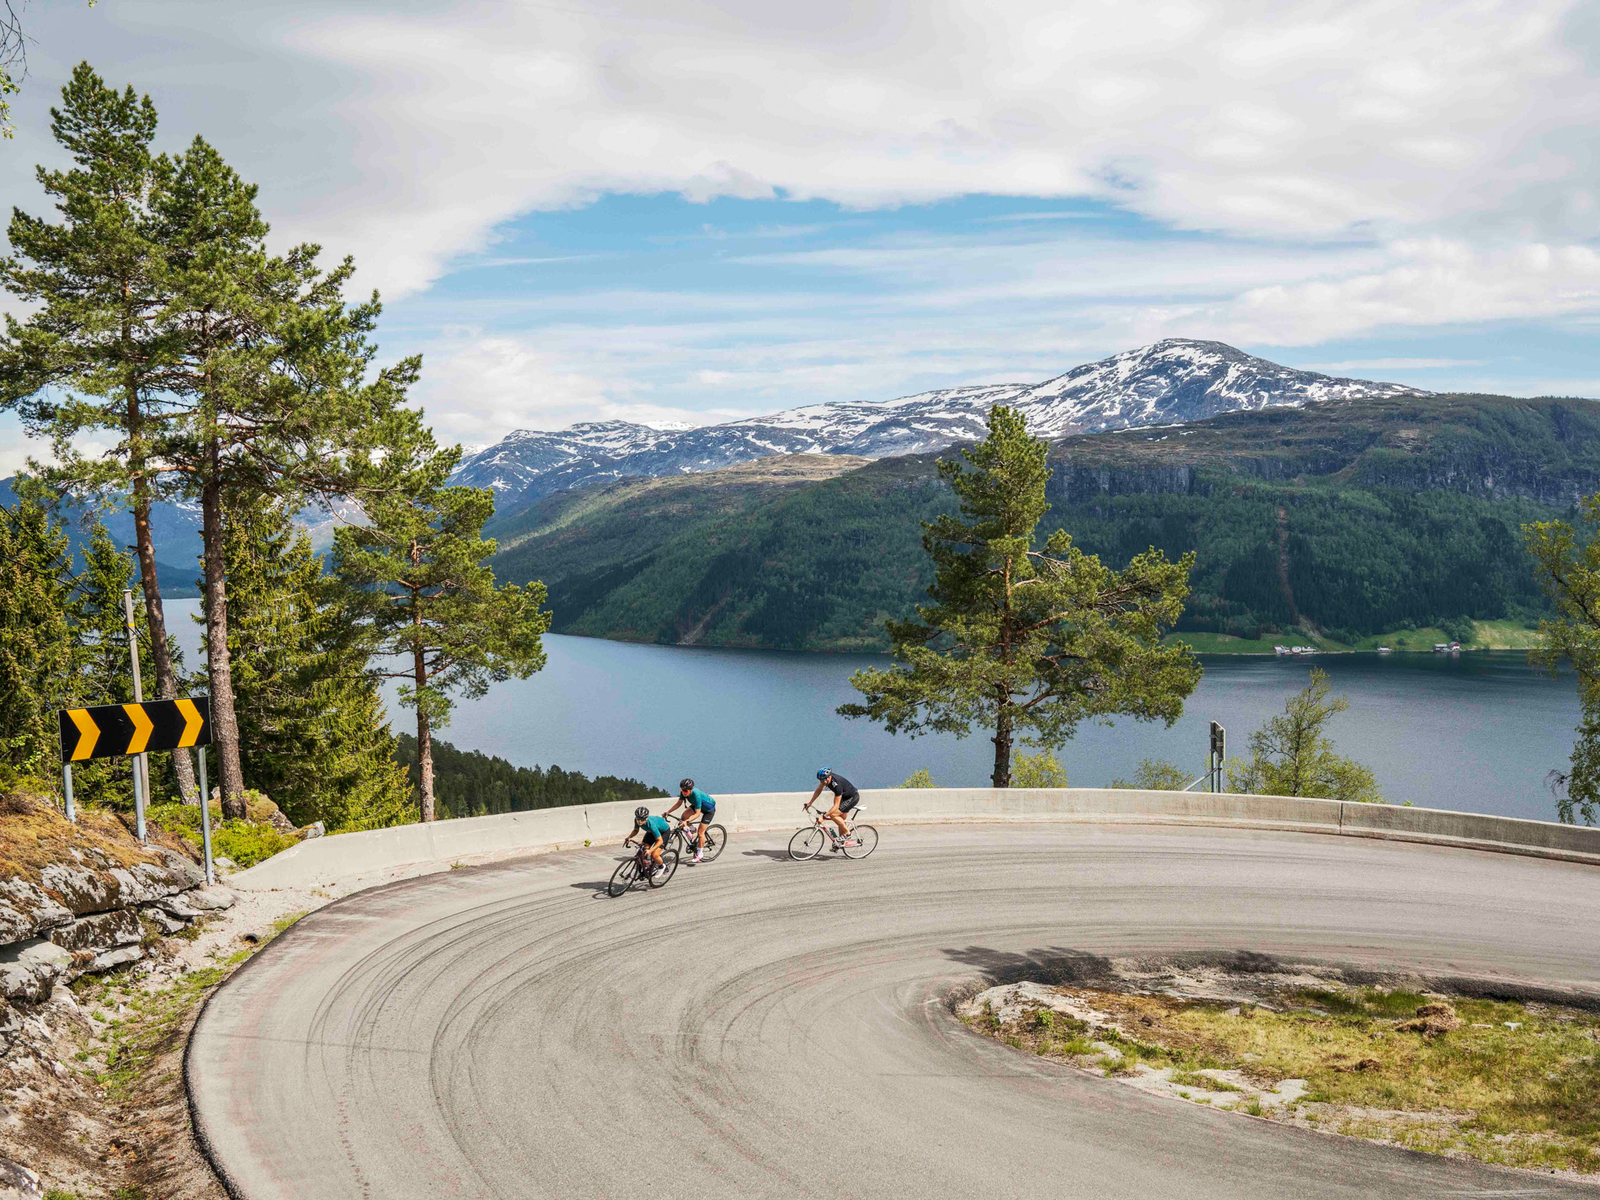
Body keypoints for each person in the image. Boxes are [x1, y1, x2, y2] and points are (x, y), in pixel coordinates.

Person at [663, 778, 717, 863]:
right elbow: (679, 803)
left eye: (685, 791)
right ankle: (692, 829)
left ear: (691, 790)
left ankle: (700, 853)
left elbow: (697, 814)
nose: (684, 792)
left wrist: (686, 822)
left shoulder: (696, 795)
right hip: (696, 805)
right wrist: (668, 812)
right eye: (682, 790)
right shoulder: (684, 792)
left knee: (700, 833)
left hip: (708, 810)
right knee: (683, 816)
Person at [806, 768, 859, 847]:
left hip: (852, 798)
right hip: (844, 796)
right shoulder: (826, 780)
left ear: (829, 777)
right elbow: (819, 790)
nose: (821, 782)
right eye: (820, 781)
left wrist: (824, 816)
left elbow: (836, 806)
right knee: (840, 819)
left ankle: (847, 833)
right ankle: (840, 843)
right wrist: (810, 802)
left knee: (833, 815)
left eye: (823, 780)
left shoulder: (837, 785)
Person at [624, 805, 671, 873]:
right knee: (642, 851)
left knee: (654, 855)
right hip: (651, 832)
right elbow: (636, 830)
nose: (639, 821)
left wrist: (650, 851)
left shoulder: (651, 825)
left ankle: (662, 866)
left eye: (642, 820)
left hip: (663, 832)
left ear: (646, 819)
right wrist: (629, 837)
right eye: (638, 819)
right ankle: (645, 868)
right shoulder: (637, 820)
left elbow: (660, 841)